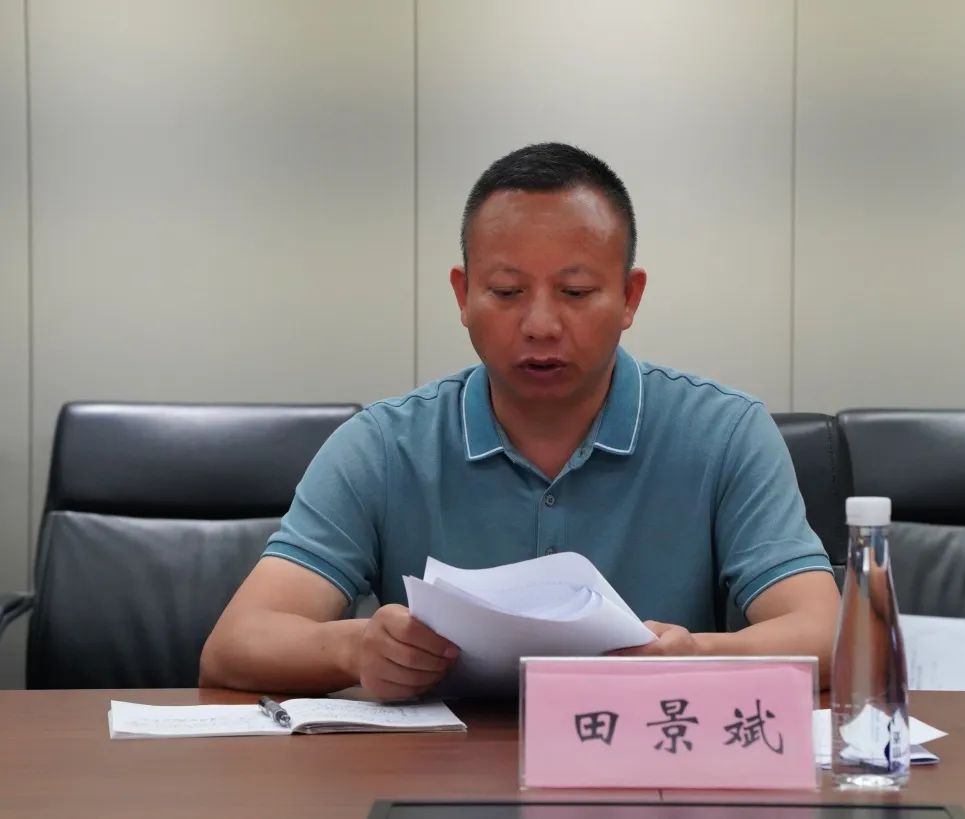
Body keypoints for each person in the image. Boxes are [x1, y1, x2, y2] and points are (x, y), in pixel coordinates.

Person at [200, 142, 840, 700]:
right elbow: (235, 645)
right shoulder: (384, 446)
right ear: (462, 295)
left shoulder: (723, 434)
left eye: (576, 292)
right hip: (433, 775)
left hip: (646, 768)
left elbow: (828, 634)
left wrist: (694, 657)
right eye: (507, 292)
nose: (540, 324)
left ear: (629, 297)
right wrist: (354, 649)